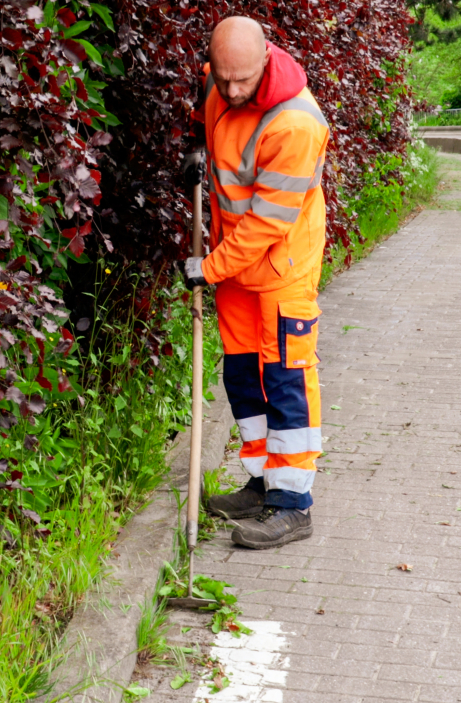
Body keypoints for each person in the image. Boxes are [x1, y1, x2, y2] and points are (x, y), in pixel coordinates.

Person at [179, 17, 330, 549]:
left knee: (285, 382)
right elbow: (210, 107)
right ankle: (262, 482)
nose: (233, 91)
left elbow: (267, 225)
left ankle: (293, 505)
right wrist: (195, 145)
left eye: (242, 81)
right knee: (243, 376)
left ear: (266, 59)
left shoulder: (295, 124)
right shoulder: (218, 83)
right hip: (234, 266)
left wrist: (209, 268)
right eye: (223, 80)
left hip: (279, 269)